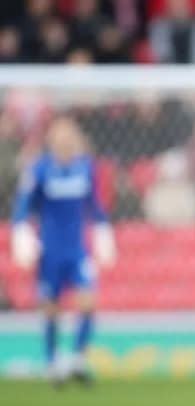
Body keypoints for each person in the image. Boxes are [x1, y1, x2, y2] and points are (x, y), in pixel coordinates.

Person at [11, 116, 116, 387]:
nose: (66, 141)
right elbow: (24, 206)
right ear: (52, 140)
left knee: (88, 300)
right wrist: (22, 234)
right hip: (50, 251)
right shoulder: (40, 169)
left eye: (70, 135)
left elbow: (95, 204)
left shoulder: (86, 168)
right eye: (61, 136)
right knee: (50, 308)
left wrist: (104, 233)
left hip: (77, 249)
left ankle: (78, 359)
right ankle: (52, 362)